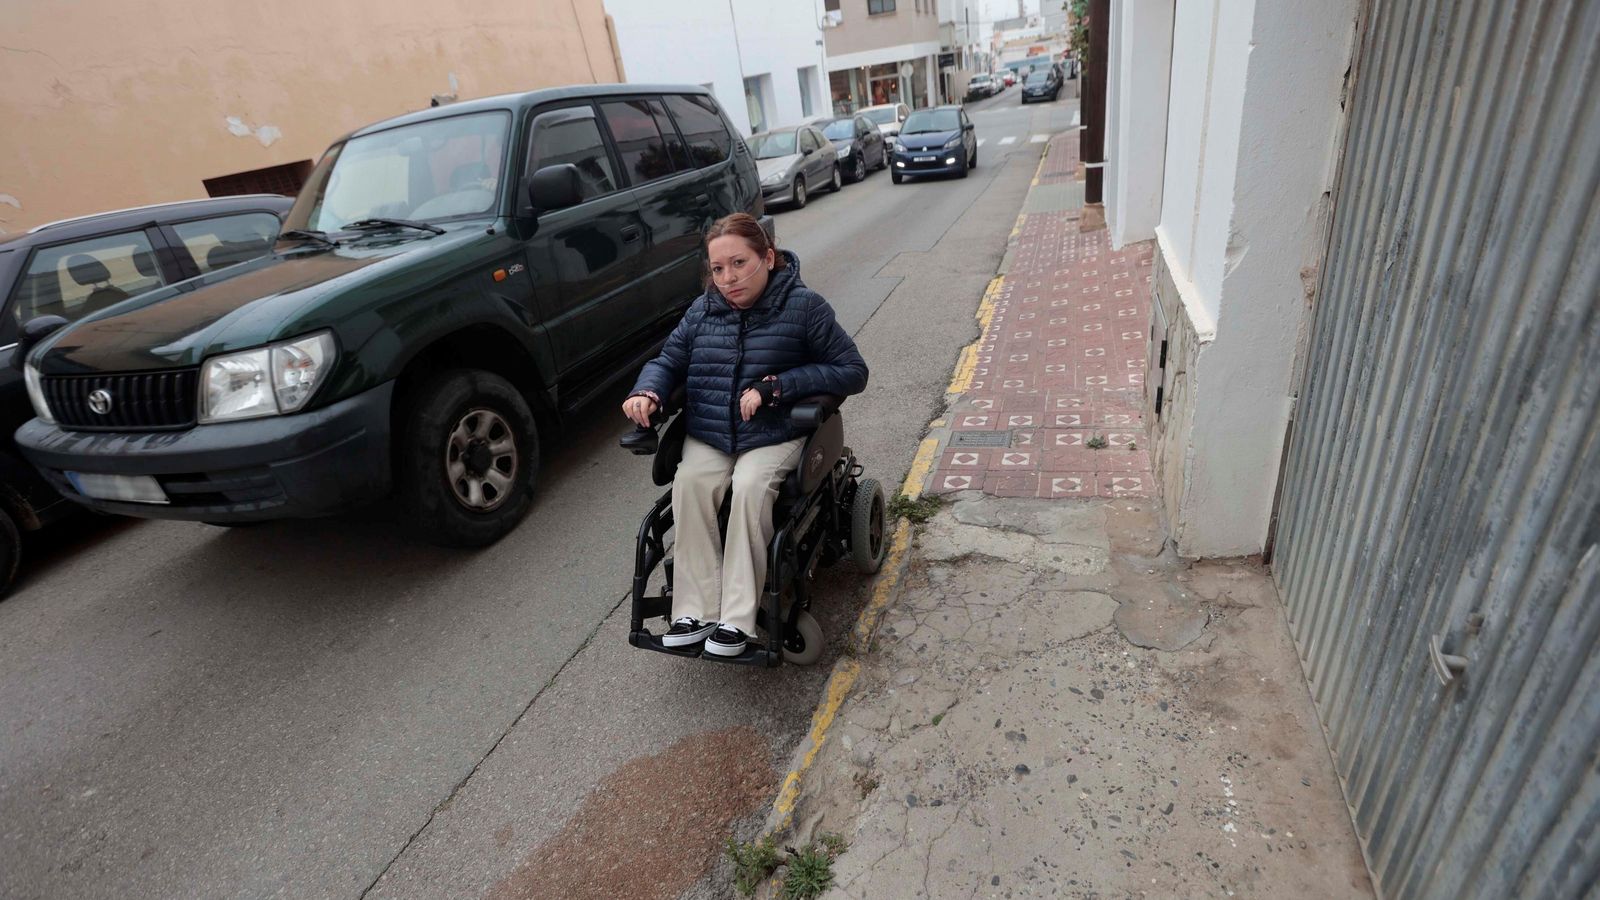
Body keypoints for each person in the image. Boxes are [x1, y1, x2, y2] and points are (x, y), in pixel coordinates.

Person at [623, 214, 868, 657]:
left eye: (739, 263)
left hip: (775, 432)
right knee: (690, 483)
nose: (728, 278)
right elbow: (668, 361)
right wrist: (648, 391)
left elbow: (851, 370)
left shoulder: (804, 307)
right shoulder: (702, 311)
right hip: (712, 432)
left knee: (751, 487)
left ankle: (737, 619)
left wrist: (778, 387)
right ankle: (693, 612)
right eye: (718, 269)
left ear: (768, 258)